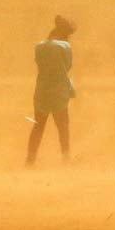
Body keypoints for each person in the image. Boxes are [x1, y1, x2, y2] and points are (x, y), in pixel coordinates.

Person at [26, 15, 76, 166]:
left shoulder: (39, 46)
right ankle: (66, 158)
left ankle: (30, 160)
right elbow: (67, 66)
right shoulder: (65, 47)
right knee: (63, 125)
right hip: (59, 90)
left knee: (38, 125)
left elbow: (39, 64)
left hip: (42, 90)